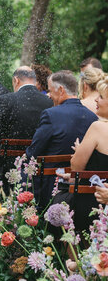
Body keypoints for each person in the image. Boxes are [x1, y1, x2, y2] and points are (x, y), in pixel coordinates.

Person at [27, 70, 98, 210]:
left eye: (50, 91)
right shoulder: (92, 118)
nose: (49, 96)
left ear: (60, 90)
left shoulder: (50, 115)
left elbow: (33, 152)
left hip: (51, 187)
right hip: (82, 188)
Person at [0, 66, 52, 186]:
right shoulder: (48, 102)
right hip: (38, 165)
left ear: (16, 80)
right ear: (34, 80)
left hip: (7, 166)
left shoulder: (6, 100)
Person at [70, 75, 108, 231]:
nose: (96, 100)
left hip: (93, 201)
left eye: (101, 97)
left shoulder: (98, 127)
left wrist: (79, 151)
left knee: (60, 202)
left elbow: (76, 167)